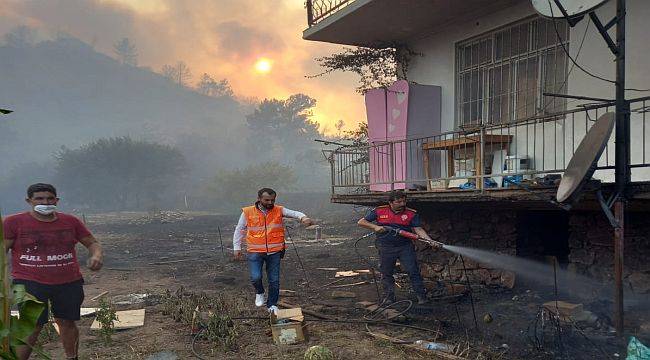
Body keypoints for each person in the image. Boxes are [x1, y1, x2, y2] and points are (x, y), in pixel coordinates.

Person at [2, 183, 103, 360]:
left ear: (57, 200)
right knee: (31, 325)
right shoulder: (13, 222)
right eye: (39, 199)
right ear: (29, 201)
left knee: (67, 322)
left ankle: (72, 357)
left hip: (68, 281)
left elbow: (92, 243)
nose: (46, 202)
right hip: (29, 282)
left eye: (50, 198)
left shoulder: (70, 221)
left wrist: (96, 256)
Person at [233, 188, 312, 314]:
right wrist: (236, 247)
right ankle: (260, 292)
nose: (270, 202)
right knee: (255, 277)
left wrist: (303, 217)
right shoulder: (247, 212)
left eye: (272, 200)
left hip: (275, 251)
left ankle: (272, 304)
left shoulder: (279, 210)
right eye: (267, 200)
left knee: (274, 280)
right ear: (259, 199)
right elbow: (239, 229)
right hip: (255, 251)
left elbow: (295, 213)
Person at [357, 190, 433, 305]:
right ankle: (389, 298)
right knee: (386, 273)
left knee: (413, 271)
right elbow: (361, 222)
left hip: (405, 247)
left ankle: (421, 297)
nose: (402, 204)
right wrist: (374, 227)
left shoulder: (411, 213)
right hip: (385, 247)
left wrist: (429, 240)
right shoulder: (380, 210)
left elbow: (418, 229)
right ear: (390, 203)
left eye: (404, 201)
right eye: (398, 202)